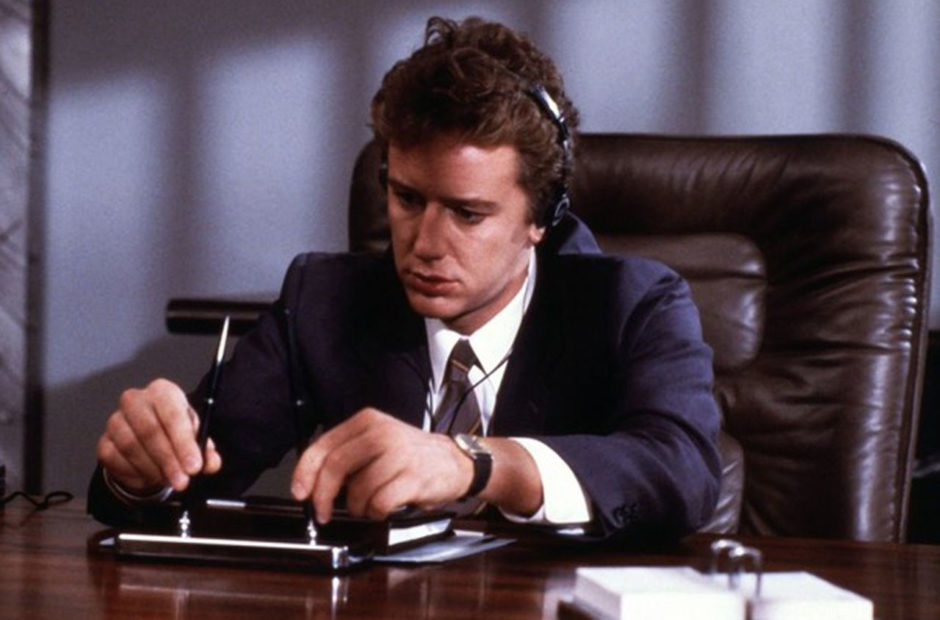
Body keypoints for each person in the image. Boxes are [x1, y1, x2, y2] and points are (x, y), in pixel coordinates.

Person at [88, 16, 721, 541]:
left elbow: (684, 472)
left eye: (468, 214)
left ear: (541, 218)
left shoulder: (632, 303)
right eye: (407, 199)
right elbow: (189, 481)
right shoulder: (323, 301)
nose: (426, 244)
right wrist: (144, 470)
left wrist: (476, 465)